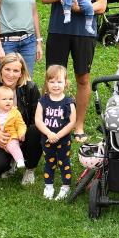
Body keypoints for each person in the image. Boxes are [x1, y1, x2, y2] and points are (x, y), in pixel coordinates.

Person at [42, 0, 108, 140]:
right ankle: (50, 123)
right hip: (58, 30)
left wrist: (81, 8)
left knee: (83, 78)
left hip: (84, 34)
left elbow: (101, 5)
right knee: (52, 77)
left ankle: (78, 125)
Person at [0, 54, 43, 185]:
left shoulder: (31, 88)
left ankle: (30, 169)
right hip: (1, 140)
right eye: (7, 69)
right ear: (1, 70)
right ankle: (11, 162)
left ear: (21, 73)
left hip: (24, 137)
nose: (11, 74)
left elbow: (36, 120)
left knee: (36, 129)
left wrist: (20, 135)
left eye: (16, 70)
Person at [35, 65, 78, 201]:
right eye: (52, 81)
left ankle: (65, 186)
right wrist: (49, 133)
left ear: (66, 82)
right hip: (47, 139)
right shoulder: (43, 101)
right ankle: (48, 186)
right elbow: (38, 120)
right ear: (47, 83)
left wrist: (58, 135)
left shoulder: (69, 102)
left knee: (64, 162)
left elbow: (72, 122)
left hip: (63, 140)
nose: (56, 85)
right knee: (49, 162)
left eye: (59, 81)